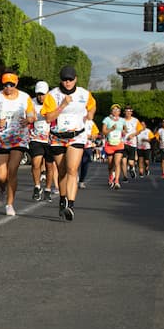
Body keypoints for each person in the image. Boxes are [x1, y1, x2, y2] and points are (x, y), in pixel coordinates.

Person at [41, 65, 96, 221]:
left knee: (72, 169)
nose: (67, 82)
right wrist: (63, 105)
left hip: (76, 136)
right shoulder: (52, 95)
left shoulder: (84, 94)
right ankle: (63, 199)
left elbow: (92, 106)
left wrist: (90, 114)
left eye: (70, 79)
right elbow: (48, 118)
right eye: (64, 80)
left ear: (75, 79)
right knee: (62, 170)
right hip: (58, 137)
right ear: (61, 80)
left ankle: (70, 205)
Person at [0, 70, 36, 216]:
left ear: (16, 83)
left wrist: (29, 119)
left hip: (19, 138)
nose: (9, 87)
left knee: (12, 170)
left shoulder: (25, 98)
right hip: (2, 139)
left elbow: (32, 115)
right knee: (1, 176)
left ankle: (9, 204)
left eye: (11, 84)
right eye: (6, 84)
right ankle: (2, 190)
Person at [29, 81, 56, 201]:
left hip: (50, 138)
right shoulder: (31, 103)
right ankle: (37, 186)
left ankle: (48, 189)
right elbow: (28, 116)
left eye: (43, 94)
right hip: (36, 137)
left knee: (49, 166)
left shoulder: (52, 102)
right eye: (38, 94)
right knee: (36, 163)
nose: (40, 97)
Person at [102, 104, 126, 190]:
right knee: (110, 164)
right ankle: (110, 176)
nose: (116, 111)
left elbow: (125, 129)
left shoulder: (122, 120)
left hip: (119, 144)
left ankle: (116, 181)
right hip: (109, 145)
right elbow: (104, 132)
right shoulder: (107, 119)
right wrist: (111, 129)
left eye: (118, 110)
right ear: (111, 111)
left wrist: (124, 131)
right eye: (114, 110)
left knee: (117, 163)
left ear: (120, 112)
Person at [120, 105, 144, 182]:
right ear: (124, 112)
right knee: (123, 161)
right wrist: (122, 131)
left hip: (132, 143)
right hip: (122, 143)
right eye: (126, 111)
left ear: (131, 112)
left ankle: (131, 168)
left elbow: (140, 130)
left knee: (130, 162)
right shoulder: (121, 120)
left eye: (129, 111)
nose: (128, 113)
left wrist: (133, 135)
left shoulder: (135, 120)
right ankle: (125, 177)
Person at [78, 117, 100, 189]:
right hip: (76, 145)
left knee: (85, 164)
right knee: (76, 163)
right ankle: (74, 177)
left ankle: (81, 181)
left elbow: (96, 133)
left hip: (87, 146)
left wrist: (91, 136)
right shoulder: (76, 119)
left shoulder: (91, 122)